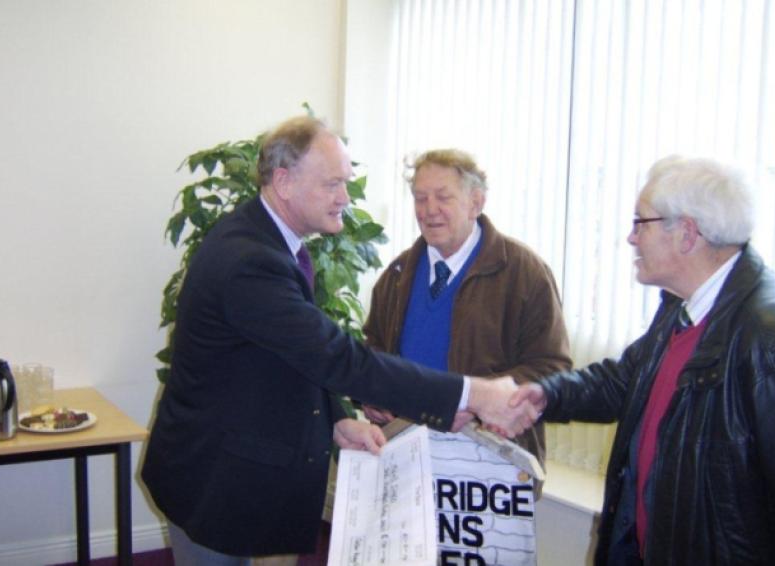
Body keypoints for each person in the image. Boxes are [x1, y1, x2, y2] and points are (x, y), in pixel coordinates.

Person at [141, 116, 537, 566]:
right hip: (212, 484)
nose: (345, 198)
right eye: (333, 184)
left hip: (230, 471)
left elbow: (293, 355)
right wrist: (472, 393)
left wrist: (336, 420)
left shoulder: (269, 240)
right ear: (284, 182)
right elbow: (337, 357)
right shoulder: (250, 261)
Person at [509, 156, 775, 565]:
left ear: (687, 233)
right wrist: (543, 395)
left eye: (641, 223)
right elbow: (624, 381)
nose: (631, 238)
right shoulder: (681, 305)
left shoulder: (768, 338)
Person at [362, 148, 571, 474]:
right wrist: (371, 393)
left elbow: (552, 368)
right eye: (420, 198)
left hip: (489, 462)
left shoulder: (524, 273)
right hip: (407, 457)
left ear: (476, 202)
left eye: (443, 197)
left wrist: (477, 402)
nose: (429, 210)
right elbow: (372, 352)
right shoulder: (398, 274)